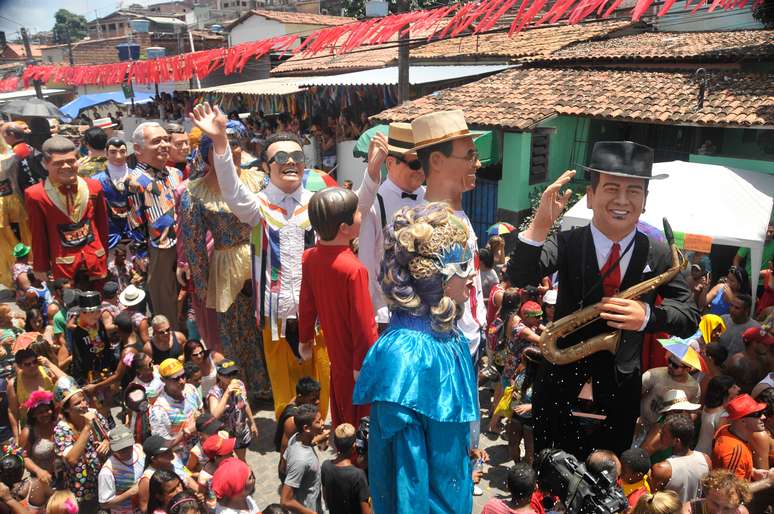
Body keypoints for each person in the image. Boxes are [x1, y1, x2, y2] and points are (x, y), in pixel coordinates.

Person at [506, 142, 699, 458]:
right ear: (591, 196)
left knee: (604, 485)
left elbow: (689, 313)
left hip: (619, 391)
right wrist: (541, 223)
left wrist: (648, 315)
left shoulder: (660, 252)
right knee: (551, 468)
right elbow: (520, 276)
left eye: (634, 191)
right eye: (611, 188)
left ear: (645, 201)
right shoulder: (566, 241)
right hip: (559, 382)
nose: (622, 200)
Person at [189, 103, 330, 420]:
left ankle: (319, 425)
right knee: (283, 380)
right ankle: (287, 430)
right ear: (267, 166)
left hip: (314, 310)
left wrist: (374, 177)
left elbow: (353, 218)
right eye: (280, 158)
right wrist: (222, 143)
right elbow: (231, 188)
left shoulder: (318, 204)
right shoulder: (257, 206)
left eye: (296, 157)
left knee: (320, 371)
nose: (290, 162)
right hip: (275, 311)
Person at [352, 203, 480, 514]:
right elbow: (407, 481)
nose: (473, 275)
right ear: (437, 277)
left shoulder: (451, 337)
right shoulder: (404, 359)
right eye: (464, 266)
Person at [177, 122, 271, 399]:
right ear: (208, 153)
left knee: (265, 325)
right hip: (225, 264)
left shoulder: (261, 180)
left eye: (236, 143)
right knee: (232, 330)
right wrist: (204, 287)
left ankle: (272, 384)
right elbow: (193, 244)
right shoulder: (194, 192)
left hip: (261, 258)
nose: (233, 151)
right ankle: (241, 390)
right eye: (223, 145)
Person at [299, 187, 377, 428]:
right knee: (361, 416)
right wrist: (362, 364)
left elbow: (306, 304)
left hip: (335, 350)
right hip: (355, 357)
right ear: (344, 228)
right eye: (356, 213)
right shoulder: (354, 269)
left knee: (341, 403)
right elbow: (364, 324)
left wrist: (305, 339)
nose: (361, 216)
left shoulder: (310, 258)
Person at [412, 110, 486, 357]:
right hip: (447, 351)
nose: (478, 163)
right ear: (436, 161)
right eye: (469, 155)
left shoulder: (459, 215)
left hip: (470, 343)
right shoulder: (425, 227)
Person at [355, 124, 425, 329]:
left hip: (426, 310)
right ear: (391, 163)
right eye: (415, 164)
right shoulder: (374, 202)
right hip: (388, 315)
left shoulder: (430, 197)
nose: (421, 170)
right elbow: (367, 262)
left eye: (424, 163)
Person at [24, 136, 109, 285]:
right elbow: (38, 234)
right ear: (45, 164)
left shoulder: (94, 186)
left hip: (95, 259)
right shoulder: (36, 194)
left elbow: (102, 226)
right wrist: (41, 266)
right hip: (63, 265)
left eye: (71, 161)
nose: (66, 167)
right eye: (58, 163)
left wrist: (105, 254)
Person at [127, 122, 181, 329]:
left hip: (182, 242)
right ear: (138, 149)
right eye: (156, 141)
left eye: (166, 139)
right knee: (164, 299)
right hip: (158, 247)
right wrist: (142, 254)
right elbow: (135, 220)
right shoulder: (135, 180)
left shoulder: (175, 174)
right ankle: (170, 340)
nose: (164, 145)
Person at [52, 375, 111, 510]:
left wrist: (107, 442)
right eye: (77, 403)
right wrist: (87, 427)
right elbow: (71, 459)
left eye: (84, 400)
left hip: (105, 479)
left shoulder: (94, 414)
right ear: (66, 409)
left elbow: (109, 435)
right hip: (83, 489)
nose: (84, 405)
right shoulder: (62, 429)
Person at [92, 138, 144, 252]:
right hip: (109, 235)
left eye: (122, 151)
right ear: (106, 153)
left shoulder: (138, 176)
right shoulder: (97, 181)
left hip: (136, 234)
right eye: (113, 152)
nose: (119, 156)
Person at [149, 359, 202, 466]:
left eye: (183, 376)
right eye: (176, 379)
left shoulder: (190, 389)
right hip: (181, 462)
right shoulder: (159, 410)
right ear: (163, 380)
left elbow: (201, 411)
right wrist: (186, 431)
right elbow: (162, 447)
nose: (182, 381)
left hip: (201, 453)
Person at [638, 352, 702, 440]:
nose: (670, 366)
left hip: (666, 435)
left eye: (675, 365)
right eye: (670, 361)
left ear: (687, 369)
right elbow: (634, 395)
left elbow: (693, 412)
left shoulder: (694, 387)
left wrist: (680, 426)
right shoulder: (653, 374)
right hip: (642, 426)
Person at [649, 413, 711, 502]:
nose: (660, 435)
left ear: (677, 441)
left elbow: (652, 501)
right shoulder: (706, 459)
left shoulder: (662, 469)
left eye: (664, 433)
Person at [206, 360, 258, 461]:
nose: (232, 377)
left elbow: (245, 403)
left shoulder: (240, 384)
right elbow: (214, 415)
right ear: (219, 376)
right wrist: (227, 392)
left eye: (233, 374)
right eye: (228, 375)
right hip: (225, 435)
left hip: (240, 431)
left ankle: (247, 475)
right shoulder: (214, 393)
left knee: (242, 459)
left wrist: (252, 423)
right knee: (230, 461)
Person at [712, 394, 767, 479]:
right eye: (757, 414)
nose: (763, 417)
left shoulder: (726, 429)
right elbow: (730, 490)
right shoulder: (735, 450)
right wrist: (768, 482)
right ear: (743, 421)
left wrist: (752, 471)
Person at [280, 404, 323, 514]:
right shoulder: (300, 460)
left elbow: (283, 467)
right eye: (318, 422)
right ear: (306, 428)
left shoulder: (295, 438)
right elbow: (285, 501)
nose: (323, 424)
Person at [320, 423, 371, 514]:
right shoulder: (358, 475)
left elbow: (325, 497)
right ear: (354, 446)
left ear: (335, 444)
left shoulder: (325, 466)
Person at [97, 424, 145, 514]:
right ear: (111, 448)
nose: (125, 452)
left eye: (128, 447)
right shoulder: (107, 472)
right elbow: (104, 504)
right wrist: (131, 492)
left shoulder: (139, 450)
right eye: (120, 449)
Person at [18, 390, 57, 489]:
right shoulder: (28, 432)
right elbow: (22, 457)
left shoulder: (59, 424)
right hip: (43, 481)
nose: (45, 414)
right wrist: (38, 470)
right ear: (33, 415)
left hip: (65, 476)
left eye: (47, 410)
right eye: (40, 412)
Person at [695, 375, 739, 454]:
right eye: (733, 387)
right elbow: (722, 440)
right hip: (709, 455)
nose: (738, 388)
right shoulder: (724, 416)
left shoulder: (707, 407)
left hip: (699, 450)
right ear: (726, 390)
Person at [682, 469, 751, 514]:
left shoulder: (742, 512)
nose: (719, 512)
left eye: (727, 508)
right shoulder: (689, 511)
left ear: (737, 507)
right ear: (706, 494)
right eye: (715, 504)